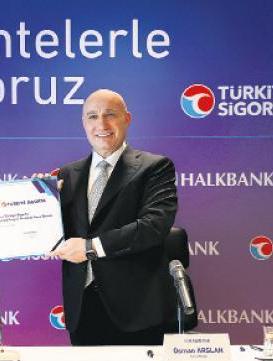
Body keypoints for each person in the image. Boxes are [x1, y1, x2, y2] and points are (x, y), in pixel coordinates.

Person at [48, 89, 178, 346]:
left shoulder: (155, 167)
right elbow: (52, 233)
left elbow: (154, 226)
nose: (102, 125)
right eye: (92, 116)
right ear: (83, 123)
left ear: (126, 118)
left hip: (138, 311)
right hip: (82, 310)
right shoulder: (67, 174)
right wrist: (36, 199)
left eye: (110, 115)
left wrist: (90, 247)